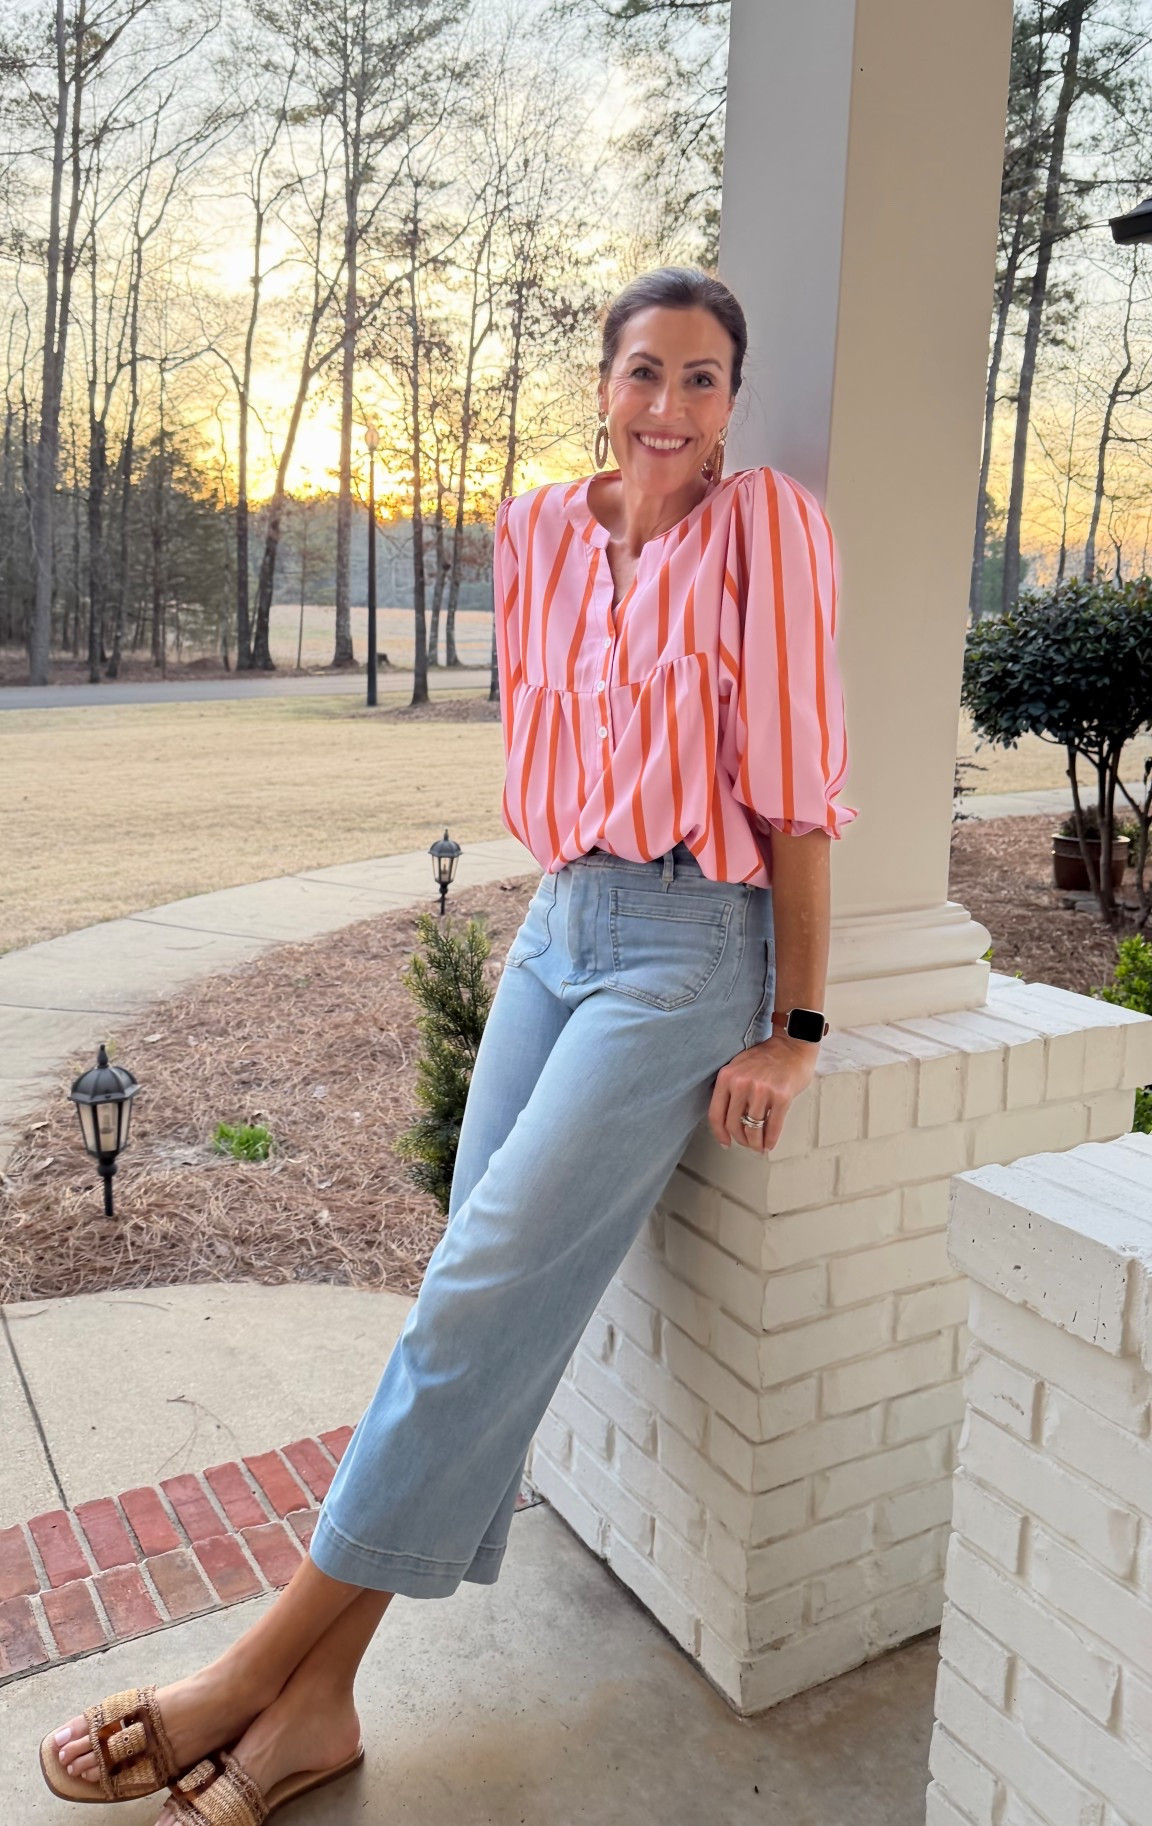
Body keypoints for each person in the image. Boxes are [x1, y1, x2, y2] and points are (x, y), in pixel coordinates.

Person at [40, 266, 857, 1823]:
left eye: (701, 380)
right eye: (644, 373)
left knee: (478, 1297)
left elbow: (803, 791)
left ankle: (241, 1675)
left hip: (693, 949)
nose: (668, 409)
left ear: (732, 402)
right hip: (561, 926)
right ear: (601, 384)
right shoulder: (544, 530)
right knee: (473, 1303)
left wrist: (798, 1025)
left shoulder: (767, 531)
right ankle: (323, 1706)